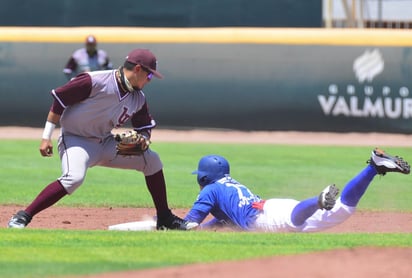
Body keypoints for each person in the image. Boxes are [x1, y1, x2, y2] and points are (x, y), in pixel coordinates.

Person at [8, 48, 197, 231]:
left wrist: (143, 141)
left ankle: (165, 218)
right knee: (73, 179)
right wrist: (45, 137)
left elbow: (144, 127)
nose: (149, 80)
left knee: (152, 160)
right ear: (138, 69)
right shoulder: (94, 80)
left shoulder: (138, 98)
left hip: (105, 143)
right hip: (76, 140)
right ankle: (23, 216)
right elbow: (60, 99)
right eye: (149, 76)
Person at [184, 148, 410, 232]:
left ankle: (318, 200)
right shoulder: (229, 186)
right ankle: (373, 167)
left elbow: (190, 224)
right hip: (271, 206)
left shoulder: (209, 189)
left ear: (203, 177)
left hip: (262, 218)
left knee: (292, 223)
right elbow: (222, 222)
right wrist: (207, 229)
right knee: (342, 210)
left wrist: (163, 223)